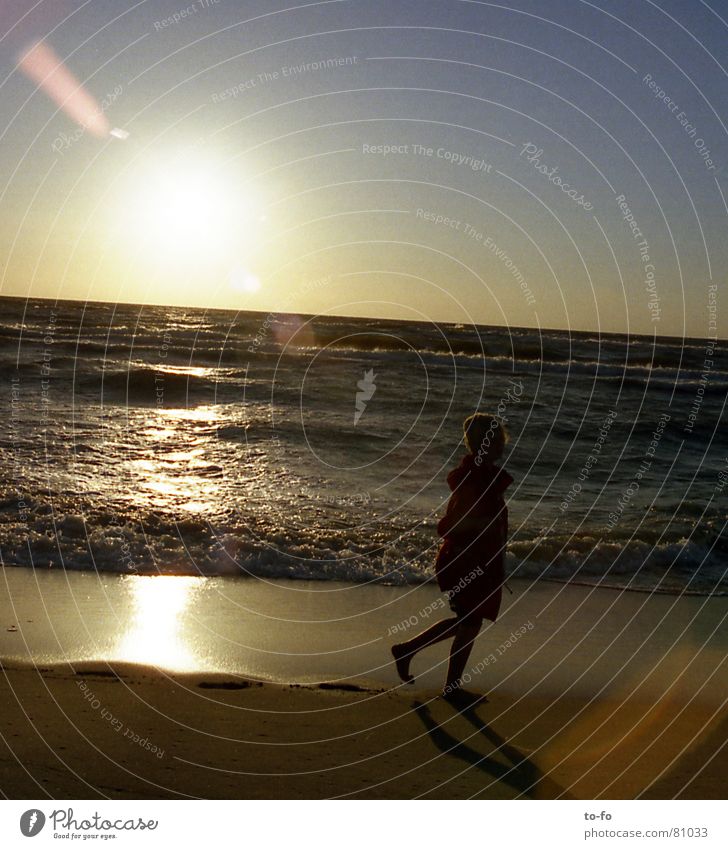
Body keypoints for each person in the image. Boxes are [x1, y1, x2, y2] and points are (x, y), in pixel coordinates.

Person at [391, 412, 513, 702]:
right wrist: (480, 524)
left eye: (501, 441)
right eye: (496, 441)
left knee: (468, 621)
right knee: (470, 622)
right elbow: (446, 526)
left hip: (478, 561)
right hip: (464, 562)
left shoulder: (484, 477)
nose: (502, 446)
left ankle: (409, 651)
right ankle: (450, 687)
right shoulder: (473, 480)